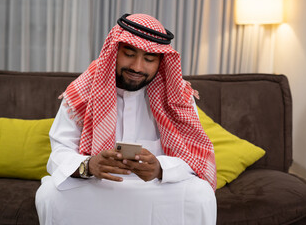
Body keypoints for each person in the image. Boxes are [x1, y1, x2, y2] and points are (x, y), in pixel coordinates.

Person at [35, 13, 217, 225]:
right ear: (115, 51)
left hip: (155, 188)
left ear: (161, 61)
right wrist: (89, 165)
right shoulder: (83, 90)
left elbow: (196, 158)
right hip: (97, 185)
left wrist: (160, 168)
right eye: (129, 54)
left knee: (201, 195)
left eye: (149, 59)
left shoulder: (177, 97)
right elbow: (59, 153)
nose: (137, 67)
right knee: (49, 194)